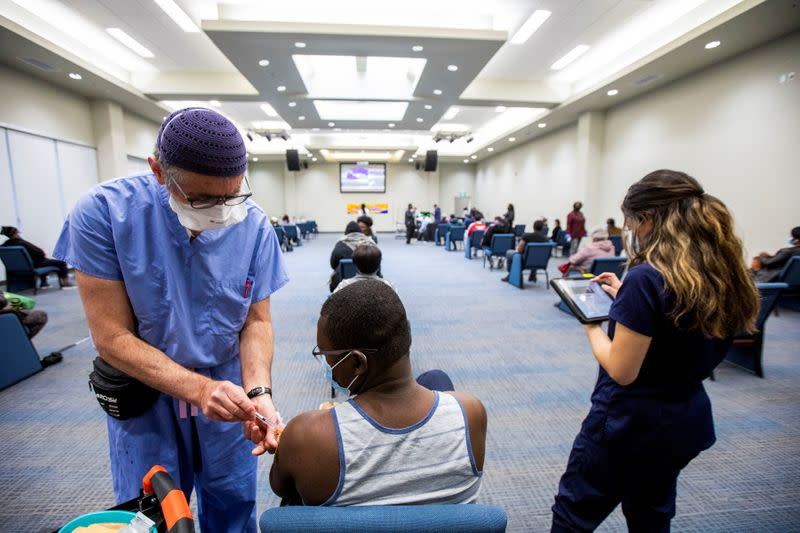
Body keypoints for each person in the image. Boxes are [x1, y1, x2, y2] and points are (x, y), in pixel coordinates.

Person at [53, 107, 289, 532]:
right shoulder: (104, 213)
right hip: (145, 389)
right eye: (201, 199)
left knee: (233, 506)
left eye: (230, 196)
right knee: (154, 512)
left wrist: (259, 392)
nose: (219, 212)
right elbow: (111, 337)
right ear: (158, 171)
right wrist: (199, 389)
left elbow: (256, 322)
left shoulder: (252, 224)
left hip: (227, 387)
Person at [551, 170, 759, 532]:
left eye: (632, 222)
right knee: (651, 514)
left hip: (627, 426)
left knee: (574, 515)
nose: (631, 231)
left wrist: (590, 325)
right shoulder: (719, 272)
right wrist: (626, 300)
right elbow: (675, 325)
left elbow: (622, 369)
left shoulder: (647, 277)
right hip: (684, 421)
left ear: (648, 219)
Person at [269, 280, 486, 506]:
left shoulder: (306, 436)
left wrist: (286, 446)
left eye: (325, 354)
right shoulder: (470, 412)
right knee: (436, 379)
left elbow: (281, 486)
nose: (324, 361)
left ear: (356, 363)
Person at [1, 226, 73, 288]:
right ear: (15, 233)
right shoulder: (21, 243)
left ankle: (44, 283)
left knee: (44, 260)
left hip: (18, 268)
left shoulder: (4, 246)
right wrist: (43, 253)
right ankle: (65, 283)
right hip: (34, 265)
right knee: (61, 263)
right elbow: (39, 252)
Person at [330, 222, 376, 292]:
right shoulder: (370, 243)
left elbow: (333, 265)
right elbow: (377, 265)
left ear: (346, 232)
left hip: (343, 282)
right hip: (370, 281)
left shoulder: (340, 244)